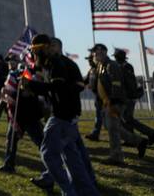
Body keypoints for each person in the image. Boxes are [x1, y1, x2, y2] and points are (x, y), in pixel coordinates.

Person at [24, 34, 99, 196]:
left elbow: (57, 88)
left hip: (61, 117)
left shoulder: (56, 64)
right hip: (68, 116)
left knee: (48, 154)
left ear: (45, 48)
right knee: (72, 160)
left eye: (36, 50)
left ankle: (69, 191)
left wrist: (32, 85)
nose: (34, 54)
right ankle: (88, 192)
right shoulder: (55, 63)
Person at [91, 44, 147, 165]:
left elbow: (116, 84)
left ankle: (116, 157)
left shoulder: (112, 65)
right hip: (107, 102)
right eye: (95, 53)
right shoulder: (100, 66)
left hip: (115, 102)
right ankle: (139, 141)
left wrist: (112, 102)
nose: (97, 54)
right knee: (111, 126)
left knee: (112, 129)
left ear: (105, 52)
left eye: (100, 52)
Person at [0, 57, 44, 174]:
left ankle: (53, 165)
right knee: (11, 140)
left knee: (40, 141)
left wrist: (25, 89)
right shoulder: (12, 76)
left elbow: (33, 92)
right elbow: (6, 91)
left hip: (29, 115)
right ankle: (9, 164)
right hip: (16, 114)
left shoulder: (32, 75)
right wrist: (6, 95)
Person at [114, 49, 154, 145]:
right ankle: (131, 138)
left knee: (127, 118)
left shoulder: (125, 67)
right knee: (126, 118)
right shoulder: (123, 66)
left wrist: (127, 95)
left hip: (128, 97)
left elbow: (129, 83)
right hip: (127, 96)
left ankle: (150, 132)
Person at [83, 54, 103, 141]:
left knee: (105, 118)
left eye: (90, 59)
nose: (89, 61)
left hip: (104, 96)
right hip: (97, 96)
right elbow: (85, 81)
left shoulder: (101, 68)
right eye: (88, 60)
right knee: (99, 116)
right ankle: (95, 134)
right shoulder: (91, 70)